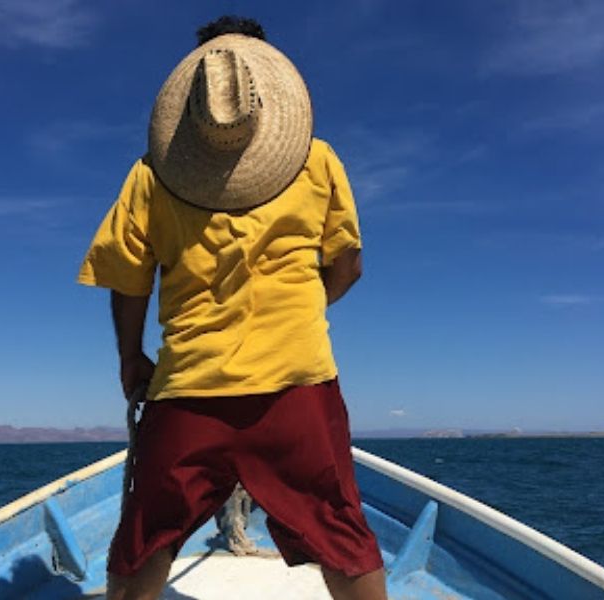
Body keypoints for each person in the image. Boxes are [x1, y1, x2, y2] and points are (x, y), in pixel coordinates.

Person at [78, 16, 387, 600]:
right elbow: (347, 265)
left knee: (145, 538)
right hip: (299, 384)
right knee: (343, 533)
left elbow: (128, 277)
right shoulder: (317, 160)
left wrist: (129, 359)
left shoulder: (151, 175)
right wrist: (296, 315)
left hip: (189, 388)